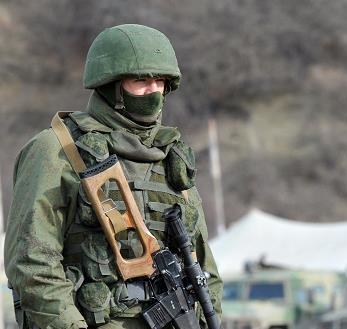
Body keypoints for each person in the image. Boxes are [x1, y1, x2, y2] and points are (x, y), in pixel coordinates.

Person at [4, 24, 223, 329]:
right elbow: (32, 264)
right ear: (110, 85)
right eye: (140, 80)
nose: (153, 92)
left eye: (160, 82)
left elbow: (204, 269)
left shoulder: (172, 158)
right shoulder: (58, 150)